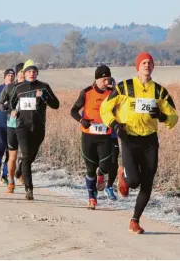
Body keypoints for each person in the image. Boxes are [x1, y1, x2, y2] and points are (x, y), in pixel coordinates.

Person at [100, 52, 178, 233]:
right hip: (128, 137)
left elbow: (174, 117)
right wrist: (114, 125)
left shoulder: (159, 91)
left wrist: (162, 115)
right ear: (137, 67)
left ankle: (135, 220)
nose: (146, 65)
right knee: (134, 181)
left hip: (150, 140)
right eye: (143, 62)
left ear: (153, 67)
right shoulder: (124, 87)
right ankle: (123, 174)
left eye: (149, 62)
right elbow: (105, 108)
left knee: (148, 182)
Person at [10, 60, 60, 200]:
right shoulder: (19, 88)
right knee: (26, 155)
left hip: (38, 128)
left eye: (34, 71)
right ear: (24, 73)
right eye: (29, 71)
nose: (31, 74)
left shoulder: (44, 87)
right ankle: (29, 189)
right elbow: (11, 103)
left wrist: (44, 97)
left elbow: (56, 105)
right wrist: (13, 111)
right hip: (22, 127)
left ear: (37, 73)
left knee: (29, 157)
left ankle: (20, 169)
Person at [70, 65, 114, 209]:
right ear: (96, 79)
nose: (105, 82)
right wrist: (81, 120)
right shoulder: (86, 92)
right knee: (90, 169)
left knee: (105, 166)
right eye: (103, 79)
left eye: (107, 79)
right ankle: (92, 199)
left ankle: (101, 174)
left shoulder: (112, 93)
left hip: (105, 136)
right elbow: (74, 111)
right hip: (88, 136)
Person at [0, 63, 25, 193]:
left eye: (27, 73)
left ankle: (19, 171)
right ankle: (11, 182)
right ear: (17, 75)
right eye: (22, 73)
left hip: (28, 126)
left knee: (27, 155)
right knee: (12, 155)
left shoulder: (33, 88)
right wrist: (8, 108)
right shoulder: (10, 88)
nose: (24, 76)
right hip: (12, 125)